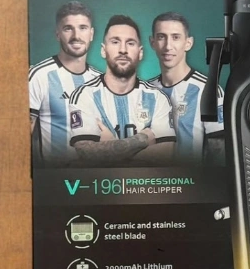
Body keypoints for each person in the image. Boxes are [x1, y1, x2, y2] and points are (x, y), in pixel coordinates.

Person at [68, 15, 175, 165]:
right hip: (101, 181)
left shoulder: (158, 98)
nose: (123, 50)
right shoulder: (84, 96)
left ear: (140, 52)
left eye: (130, 43)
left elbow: (166, 154)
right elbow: (86, 153)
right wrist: (142, 139)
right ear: (103, 50)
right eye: (115, 42)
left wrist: (110, 148)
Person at [147, 12, 224, 163]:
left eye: (176, 37)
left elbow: (220, 154)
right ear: (152, 42)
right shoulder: (146, 91)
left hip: (191, 177)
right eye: (161, 37)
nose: (168, 46)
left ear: (188, 43)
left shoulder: (208, 91)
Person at [29, 1, 100, 165]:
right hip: (56, 176)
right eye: (68, 28)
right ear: (57, 34)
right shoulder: (39, 75)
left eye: (83, 28)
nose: (76, 35)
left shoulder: (99, 80)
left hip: (95, 176)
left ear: (91, 34)